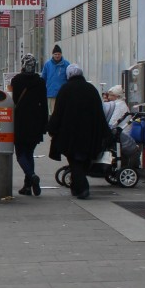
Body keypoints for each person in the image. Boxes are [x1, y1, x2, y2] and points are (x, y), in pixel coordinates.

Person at [47, 64, 110, 200]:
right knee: (83, 160)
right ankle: (76, 187)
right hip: (90, 133)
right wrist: (105, 132)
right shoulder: (91, 89)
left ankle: (82, 188)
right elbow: (99, 113)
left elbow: (58, 112)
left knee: (74, 161)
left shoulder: (65, 89)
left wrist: (52, 128)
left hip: (70, 134)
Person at [11, 54, 48, 196]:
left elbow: (13, 100)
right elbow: (44, 104)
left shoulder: (16, 80)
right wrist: (45, 124)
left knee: (20, 153)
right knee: (30, 153)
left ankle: (32, 176)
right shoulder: (40, 81)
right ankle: (27, 186)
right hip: (36, 122)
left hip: (20, 121)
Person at [41, 45, 70, 111]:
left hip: (63, 94)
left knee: (63, 112)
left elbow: (69, 78)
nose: (57, 56)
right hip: (51, 93)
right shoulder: (47, 65)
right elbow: (43, 79)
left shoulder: (66, 64)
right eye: (55, 54)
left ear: (61, 54)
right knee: (52, 113)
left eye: (59, 54)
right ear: (52, 54)